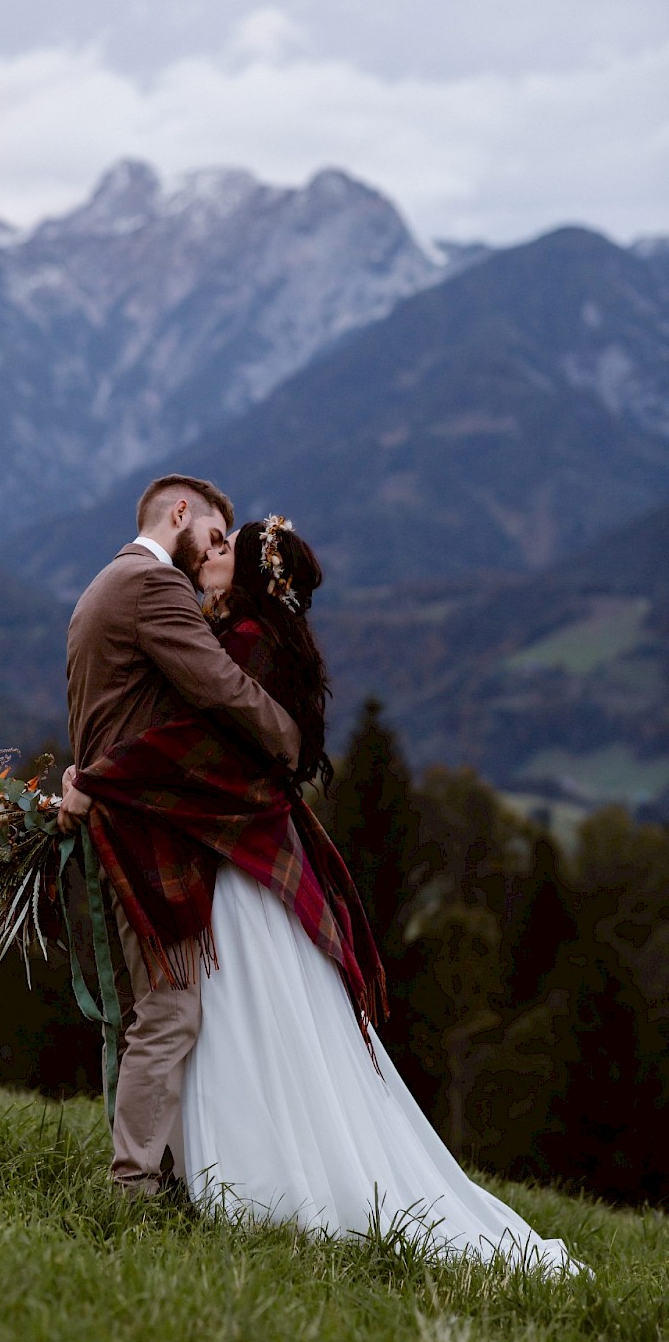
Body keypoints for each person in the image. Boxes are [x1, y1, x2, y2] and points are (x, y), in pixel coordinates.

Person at [73, 516, 586, 1274]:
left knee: (245, 1021)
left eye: (222, 549)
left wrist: (99, 779)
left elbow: (204, 751)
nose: (208, 556)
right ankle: (216, 1171)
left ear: (250, 573)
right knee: (257, 1023)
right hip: (248, 864)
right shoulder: (272, 641)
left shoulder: (245, 641)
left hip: (242, 874)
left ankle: (253, 1182)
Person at [59, 476, 301, 1200]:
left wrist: (89, 782)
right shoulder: (154, 587)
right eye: (219, 537)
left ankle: (161, 1171)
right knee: (167, 1012)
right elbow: (221, 688)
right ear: (181, 514)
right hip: (141, 830)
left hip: (119, 815)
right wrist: (292, 739)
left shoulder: (106, 582)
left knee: (152, 1010)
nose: (219, 554)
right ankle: (133, 1187)